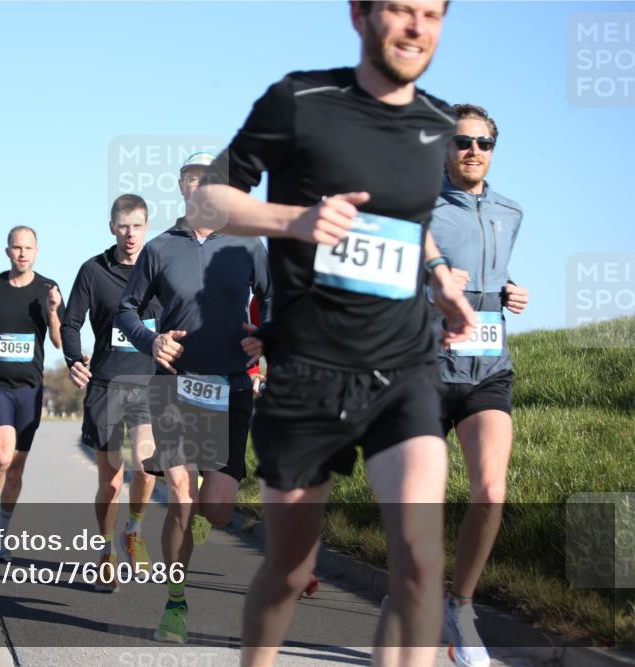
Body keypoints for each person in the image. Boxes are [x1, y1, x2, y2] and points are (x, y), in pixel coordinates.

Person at [186, 2, 477, 665]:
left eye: (431, 13)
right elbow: (208, 200)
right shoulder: (300, 100)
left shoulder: (436, 123)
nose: (416, 27)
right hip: (306, 372)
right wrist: (295, 219)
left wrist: (440, 278)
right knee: (289, 568)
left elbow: (407, 220)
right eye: (401, 9)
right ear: (359, 15)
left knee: (420, 564)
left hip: (403, 366)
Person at [116, 151, 272, 643]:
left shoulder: (247, 245)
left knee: (217, 508)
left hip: (231, 387)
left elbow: (277, 299)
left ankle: (207, 518)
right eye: (192, 178)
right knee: (181, 497)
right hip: (175, 387)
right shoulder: (160, 249)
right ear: (182, 187)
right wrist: (151, 341)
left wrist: (267, 335)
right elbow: (126, 309)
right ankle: (175, 605)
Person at [430, 103, 528, 667]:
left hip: (488, 366)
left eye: (483, 143)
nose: (473, 151)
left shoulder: (511, 211)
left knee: (491, 493)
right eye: (462, 141)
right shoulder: (418, 209)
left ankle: (460, 607)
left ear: (493, 149)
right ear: (445, 148)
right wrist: (433, 284)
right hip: (425, 370)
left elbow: (490, 271)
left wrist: (511, 289)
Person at [61, 194, 161, 592]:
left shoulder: (160, 270)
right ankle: (106, 550)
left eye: (137, 226)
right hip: (105, 384)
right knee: (110, 480)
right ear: (111, 227)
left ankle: (133, 532)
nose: (130, 234)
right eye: (123, 226)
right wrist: (73, 359)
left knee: (146, 464)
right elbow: (71, 323)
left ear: (146, 227)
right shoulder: (93, 271)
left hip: (149, 383)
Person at [0, 226, 65, 562]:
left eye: (28, 248)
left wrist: (52, 311)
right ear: (7, 251)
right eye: (16, 248)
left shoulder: (49, 289)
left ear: (37, 252)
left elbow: (60, 342)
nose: (22, 253)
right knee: (2, 457)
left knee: (16, 468)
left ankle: (3, 532)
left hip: (30, 388)